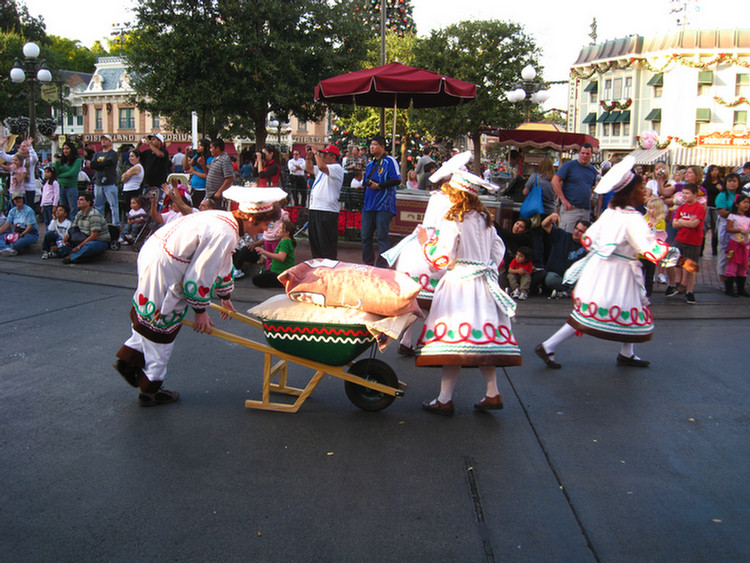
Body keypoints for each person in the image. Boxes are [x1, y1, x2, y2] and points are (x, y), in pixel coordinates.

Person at [113, 186, 286, 407]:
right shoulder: (225, 232)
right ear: (252, 218)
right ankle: (150, 389)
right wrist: (200, 311)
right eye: (265, 224)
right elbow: (200, 274)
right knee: (162, 327)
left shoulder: (226, 220)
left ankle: (128, 360)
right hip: (165, 266)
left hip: (158, 255)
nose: (265, 230)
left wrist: (224, 295)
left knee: (150, 316)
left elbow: (222, 261)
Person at [535, 157, 671, 370]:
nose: (643, 190)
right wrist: (671, 254)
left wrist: (609, 249)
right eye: (640, 187)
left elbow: (588, 239)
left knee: (628, 308)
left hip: (602, 269)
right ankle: (548, 345)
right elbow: (648, 248)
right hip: (620, 273)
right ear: (631, 191)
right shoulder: (632, 217)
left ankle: (627, 352)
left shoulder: (610, 212)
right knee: (595, 314)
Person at [416, 169, 521, 416]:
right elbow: (498, 252)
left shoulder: (453, 219)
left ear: (456, 194)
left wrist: (424, 243)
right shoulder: (485, 220)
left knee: (456, 344)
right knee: (481, 343)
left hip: (460, 285)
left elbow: (443, 256)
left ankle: (444, 399)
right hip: (484, 285)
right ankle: (492, 393)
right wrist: (486, 268)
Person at [360, 135, 401, 267]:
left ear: (382, 147)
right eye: (371, 145)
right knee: (365, 236)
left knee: (382, 238)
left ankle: (382, 267)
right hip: (369, 205)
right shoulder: (370, 164)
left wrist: (379, 186)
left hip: (384, 205)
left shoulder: (390, 161)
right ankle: (368, 264)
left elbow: (397, 180)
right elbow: (365, 182)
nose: (372, 147)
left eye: (375, 145)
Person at [530, 213, 589, 297]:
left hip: (574, 279)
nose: (577, 232)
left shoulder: (587, 247)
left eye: (581, 231)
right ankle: (568, 292)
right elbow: (544, 225)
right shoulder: (562, 235)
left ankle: (566, 292)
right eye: (576, 229)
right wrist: (551, 216)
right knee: (550, 279)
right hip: (557, 277)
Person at [665, 183, 705, 304]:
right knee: (670, 259)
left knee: (691, 267)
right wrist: (686, 221)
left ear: (695, 194)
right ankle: (673, 284)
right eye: (683, 193)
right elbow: (674, 223)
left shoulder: (699, 207)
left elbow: (694, 224)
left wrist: (682, 221)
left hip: (694, 240)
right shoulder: (681, 208)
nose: (684, 195)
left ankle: (689, 291)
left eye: (687, 193)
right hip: (680, 238)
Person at [305, 144, 344, 259]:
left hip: (327, 211)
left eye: (325, 155)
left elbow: (321, 167)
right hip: (315, 209)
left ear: (333, 157)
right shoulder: (323, 169)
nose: (322, 157)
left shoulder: (336, 168)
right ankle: (318, 267)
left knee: (326, 245)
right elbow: (309, 169)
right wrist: (308, 157)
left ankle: (329, 268)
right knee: (315, 244)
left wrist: (316, 153)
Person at [552, 143, 597, 232]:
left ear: (591, 155)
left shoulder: (592, 170)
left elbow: (591, 188)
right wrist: (563, 199)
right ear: (579, 153)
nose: (585, 156)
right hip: (571, 208)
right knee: (566, 235)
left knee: (581, 238)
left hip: (585, 209)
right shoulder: (569, 165)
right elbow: (555, 181)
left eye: (587, 154)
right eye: (582, 153)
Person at [56, 192, 111, 264]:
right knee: (60, 240)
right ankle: (79, 256)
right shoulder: (79, 214)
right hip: (82, 238)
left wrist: (79, 247)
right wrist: (67, 236)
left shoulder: (93, 214)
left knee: (89, 246)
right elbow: (74, 228)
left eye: (81, 200)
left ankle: (71, 256)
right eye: (78, 199)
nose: (78, 201)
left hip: (97, 241)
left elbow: (94, 236)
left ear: (88, 202)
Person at [253, 220, 297, 288]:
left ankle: (283, 282)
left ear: (287, 233)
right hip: (277, 269)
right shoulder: (286, 241)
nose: (277, 230)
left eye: (280, 228)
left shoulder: (285, 242)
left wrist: (263, 252)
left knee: (256, 279)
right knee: (264, 274)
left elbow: (281, 257)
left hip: (280, 272)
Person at [716, 172, 741, 285]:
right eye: (729, 181)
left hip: (740, 224)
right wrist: (735, 214)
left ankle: (734, 278)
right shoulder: (722, 196)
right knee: (724, 250)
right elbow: (722, 212)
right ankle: (722, 279)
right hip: (726, 223)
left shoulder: (741, 196)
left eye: (734, 181)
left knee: (737, 251)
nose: (731, 183)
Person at [89, 133, 120, 226]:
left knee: (113, 206)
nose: (103, 141)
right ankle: (99, 225)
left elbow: (109, 162)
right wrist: (102, 165)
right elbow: (92, 165)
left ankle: (116, 225)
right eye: (102, 139)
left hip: (110, 183)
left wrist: (100, 165)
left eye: (106, 139)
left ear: (110, 142)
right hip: (98, 183)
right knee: (98, 206)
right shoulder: (98, 153)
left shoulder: (113, 153)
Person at [724, 193, 750, 297]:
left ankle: (741, 288)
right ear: (738, 204)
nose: (746, 205)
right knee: (732, 265)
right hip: (735, 244)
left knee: (744, 266)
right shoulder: (732, 216)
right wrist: (739, 230)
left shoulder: (748, 217)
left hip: (746, 245)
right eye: (744, 202)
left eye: (748, 202)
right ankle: (729, 288)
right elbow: (728, 229)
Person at [1, 136, 38, 209]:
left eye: (24, 146)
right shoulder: (16, 158)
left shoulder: (30, 160)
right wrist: (1, 146)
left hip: (29, 187)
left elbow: (35, 158)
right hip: (18, 189)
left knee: (28, 208)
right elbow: (5, 157)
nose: (22, 147)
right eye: (21, 146)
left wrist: (30, 147)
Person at [53, 141, 83, 215]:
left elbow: (72, 173)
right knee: (63, 209)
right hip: (61, 187)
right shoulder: (62, 160)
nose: (65, 151)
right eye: (63, 149)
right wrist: (57, 162)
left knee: (73, 209)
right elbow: (56, 172)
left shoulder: (77, 160)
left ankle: (73, 225)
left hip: (71, 187)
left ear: (71, 149)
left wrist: (60, 176)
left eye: (67, 149)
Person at [702, 165, 723, 256]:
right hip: (707, 207)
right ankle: (701, 251)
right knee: (703, 229)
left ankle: (714, 250)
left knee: (715, 230)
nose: (715, 172)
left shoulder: (721, 183)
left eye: (716, 170)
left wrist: (721, 189)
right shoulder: (705, 183)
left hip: (716, 208)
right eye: (713, 170)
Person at [205, 138, 234, 204]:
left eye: (211, 148)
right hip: (210, 194)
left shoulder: (225, 159)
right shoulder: (215, 159)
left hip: (217, 196)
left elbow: (229, 178)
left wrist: (219, 191)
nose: (210, 150)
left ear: (217, 148)